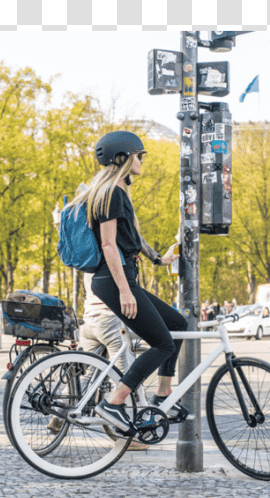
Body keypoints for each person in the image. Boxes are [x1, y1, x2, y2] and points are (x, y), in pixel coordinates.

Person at [79, 131, 184, 435]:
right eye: (138, 155)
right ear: (122, 159)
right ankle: (114, 403)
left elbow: (131, 238)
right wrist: (125, 289)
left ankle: (164, 396)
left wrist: (157, 260)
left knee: (177, 323)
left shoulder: (115, 191)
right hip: (114, 281)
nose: (141, 160)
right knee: (162, 343)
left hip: (118, 278)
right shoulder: (110, 192)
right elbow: (109, 245)